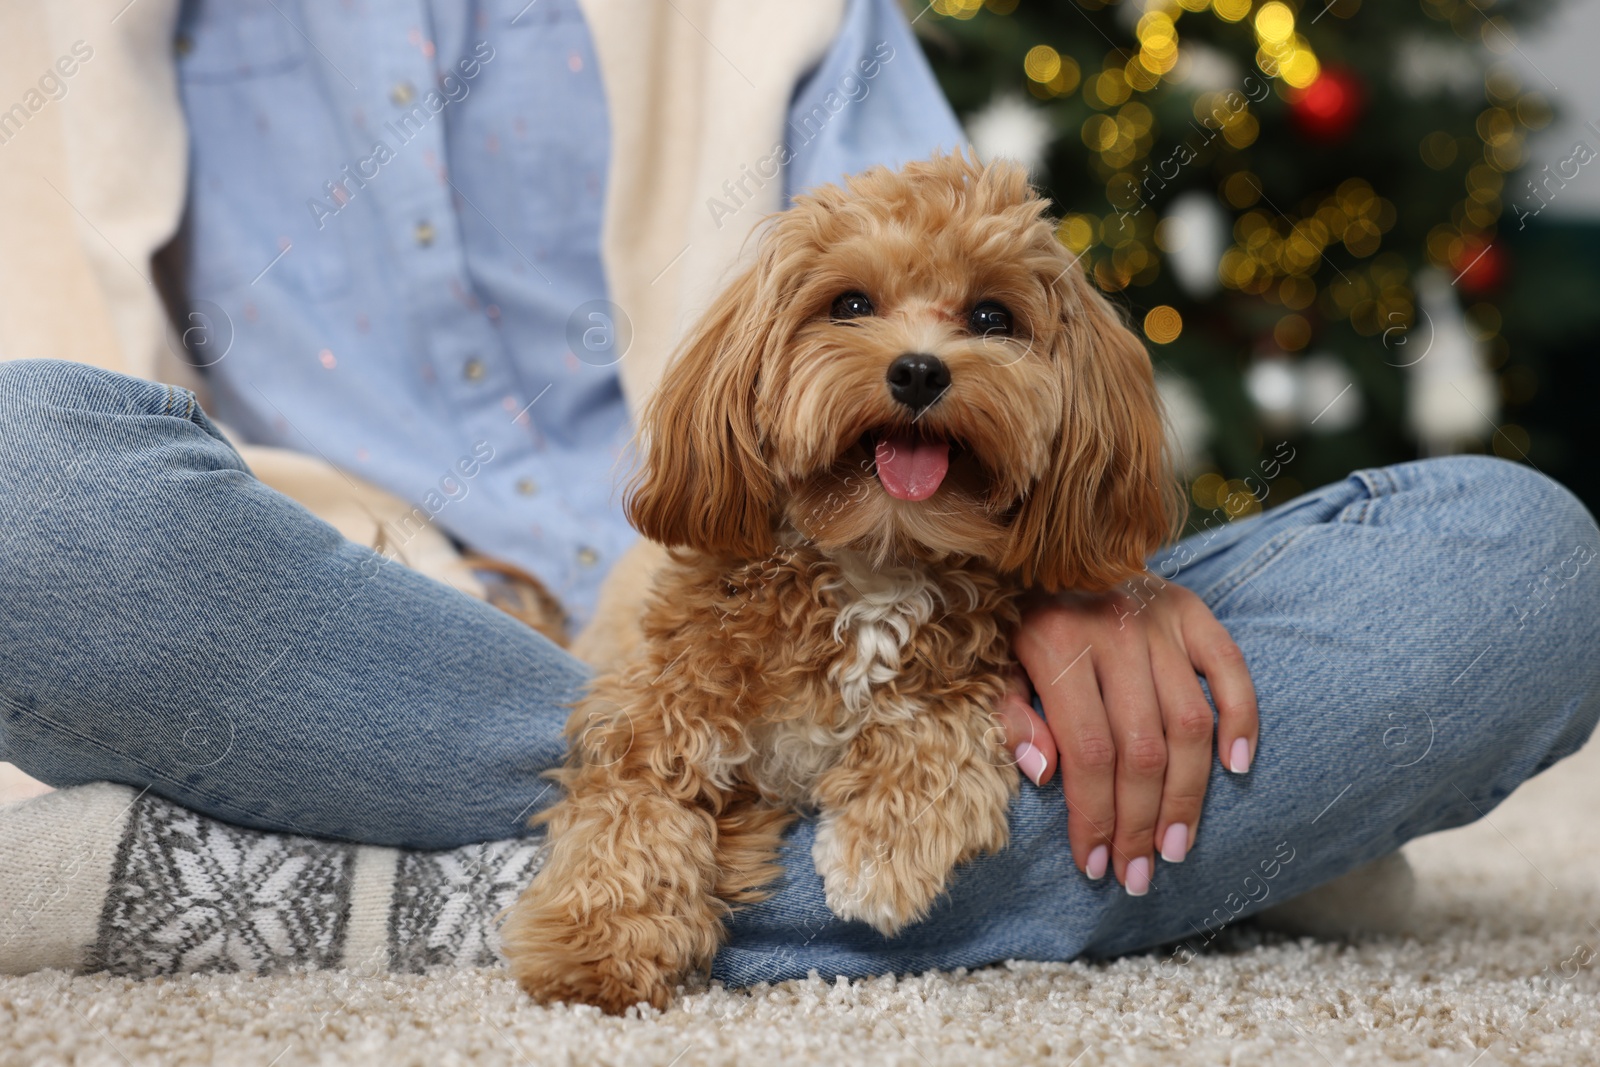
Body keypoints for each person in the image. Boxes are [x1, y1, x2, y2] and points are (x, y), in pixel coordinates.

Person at [2, 0, 1598, 984]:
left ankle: (407, 896)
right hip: (366, 635)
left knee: (1523, 568)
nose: (920, 355)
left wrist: (1083, 589)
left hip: (916, 626)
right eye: (855, 318)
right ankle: (936, 899)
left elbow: (980, 288)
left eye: (964, 329)